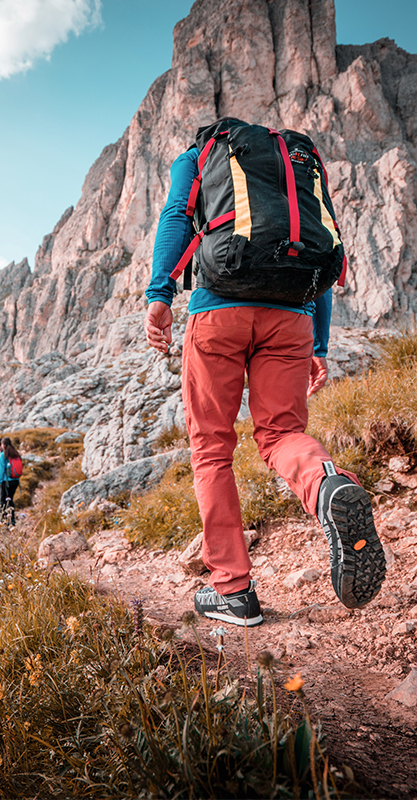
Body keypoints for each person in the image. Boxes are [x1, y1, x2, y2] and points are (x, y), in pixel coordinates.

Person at [144, 136, 385, 627]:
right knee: (281, 435)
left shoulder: (199, 157)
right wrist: (318, 345)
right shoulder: (298, 165)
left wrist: (160, 293)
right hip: (292, 315)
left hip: (219, 310)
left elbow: (175, 217)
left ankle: (233, 591)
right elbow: (321, 249)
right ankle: (326, 485)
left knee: (212, 448)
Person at [0, 437, 21, 525]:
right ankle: (12, 521)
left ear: (3, 445)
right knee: (10, 500)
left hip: (6, 481)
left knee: (2, 502)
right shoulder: (15, 453)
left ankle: (1, 521)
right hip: (15, 481)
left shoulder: (2, 455)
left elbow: (1, 470)